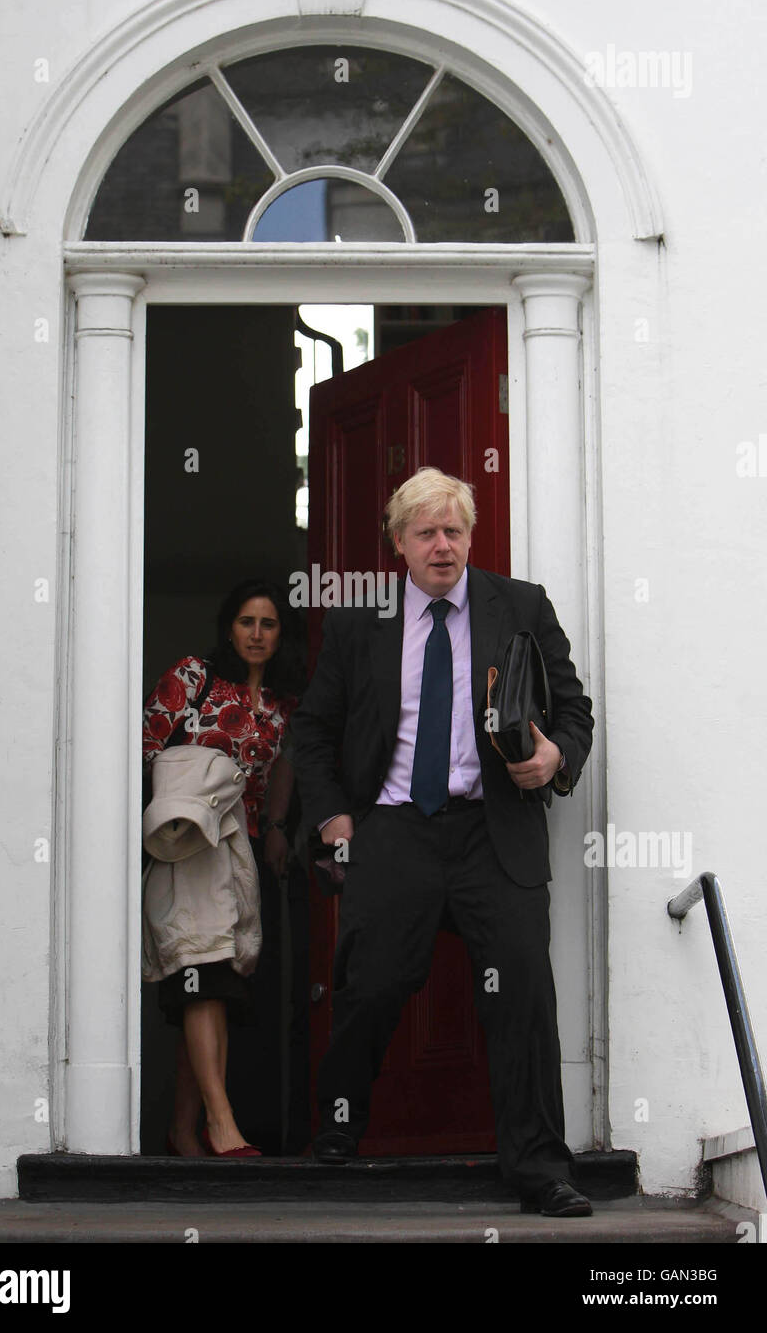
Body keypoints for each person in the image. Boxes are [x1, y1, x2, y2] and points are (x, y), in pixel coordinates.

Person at [290, 467, 595, 1216]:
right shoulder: (360, 624)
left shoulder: (519, 606)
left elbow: (575, 710)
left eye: (454, 530)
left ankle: (538, 1169)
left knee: (521, 989)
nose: (442, 545)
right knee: (373, 983)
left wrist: (555, 757)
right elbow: (315, 730)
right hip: (394, 829)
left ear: (470, 536)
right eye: (425, 532)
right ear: (399, 542)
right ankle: (338, 1126)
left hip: (494, 828)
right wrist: (333, 819)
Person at [142, 578, 300, 1157]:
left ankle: (186, 1132)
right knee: (201, 973)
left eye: (269, 624)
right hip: (191, 847)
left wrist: (279, 829)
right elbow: (142, 747)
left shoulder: (286, 703)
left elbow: (284, 771)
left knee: (217, 981)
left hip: (247, 853)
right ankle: (222, 1124)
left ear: (282, 635)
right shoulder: (193, 676)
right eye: (246, 622)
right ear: (228, 628)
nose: (256, 634)